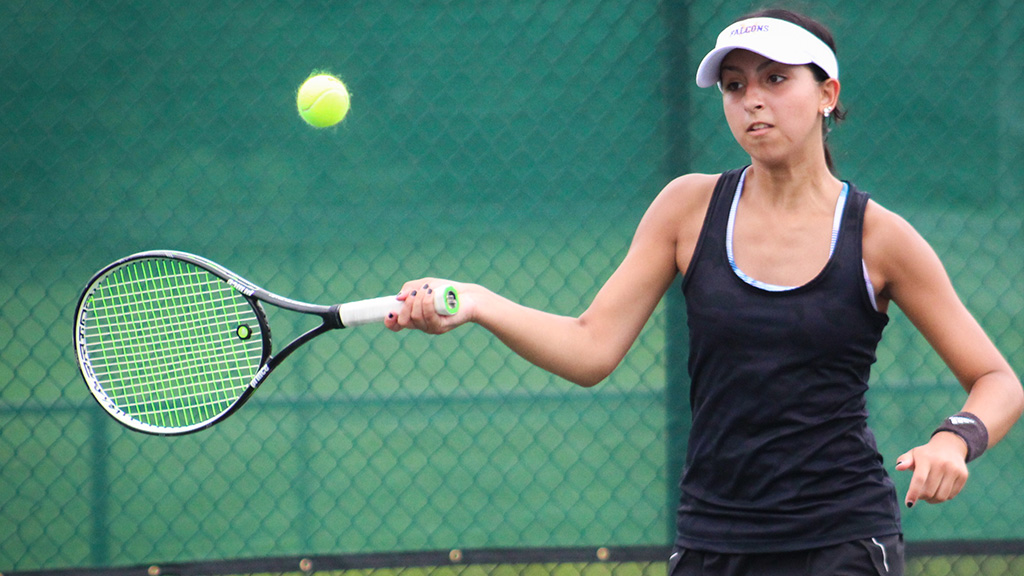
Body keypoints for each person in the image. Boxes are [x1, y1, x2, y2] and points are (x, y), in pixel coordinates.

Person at [385, 8, 1023, 575]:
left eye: (776, 79)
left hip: (843, 538)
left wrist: (954, 439)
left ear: (828, 93)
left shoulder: (879, 238)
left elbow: (997, 379)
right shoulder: (686, 208)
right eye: (735, 85)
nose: (752, 100)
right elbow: (591, 348)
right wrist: (477, 302)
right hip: (714, 535)